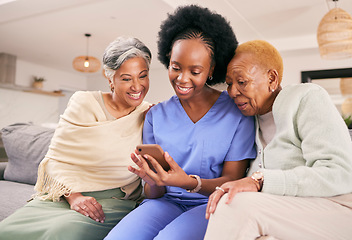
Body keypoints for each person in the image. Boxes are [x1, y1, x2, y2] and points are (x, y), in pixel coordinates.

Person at [105, 5, 257, 240]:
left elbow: (232, 180)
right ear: (168, 60)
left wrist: (188, 182)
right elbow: (154, 193)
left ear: (211, 70)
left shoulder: (236, 113)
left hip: (212, 203)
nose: (182, 79)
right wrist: (152, 180)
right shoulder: (156, 116)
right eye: (176, 68)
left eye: (195, 71)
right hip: (164, 203)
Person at [204, 40, 352, 240]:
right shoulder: (247, 121)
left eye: (241, 82)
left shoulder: (306, 97)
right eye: (229, 84)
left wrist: (259, 181)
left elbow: (340, 175)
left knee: (235, 206)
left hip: (344, 206)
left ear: (272, 79)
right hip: (294, 215)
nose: (233, 91)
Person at [0, 36, 153, 240]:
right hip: (66, 194)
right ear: (110, 79)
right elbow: (55, 159)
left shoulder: (150, 114)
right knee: (8, 230)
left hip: (115, 199)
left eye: (142, 76)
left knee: (62, 233)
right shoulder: (84, 103)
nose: (137, 86)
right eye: (126, 78)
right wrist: (74, 196)